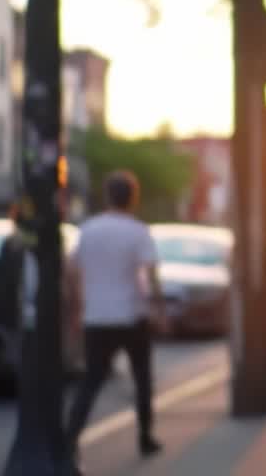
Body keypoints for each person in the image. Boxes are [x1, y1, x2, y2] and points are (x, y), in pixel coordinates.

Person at [65, 171, 165, 460]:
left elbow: (71, 269)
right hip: (132, 314)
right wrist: (158, 308)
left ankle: (70, 439)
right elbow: (151, 274)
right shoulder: (137, 231)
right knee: (142, 378)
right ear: (133, 198)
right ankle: (145, 437)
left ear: (108, 196)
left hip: (97, 316)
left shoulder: (88, 229)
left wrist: (78, 307)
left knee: (91, 381)